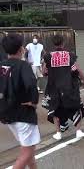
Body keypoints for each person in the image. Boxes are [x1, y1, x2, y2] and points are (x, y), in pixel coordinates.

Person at [0, 34, 40, 169]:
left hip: (6, 112)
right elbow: (31, 84)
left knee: (29, 152)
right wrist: (33, 101)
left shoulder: (1, 66)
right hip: (23, 113)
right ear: (21, 49)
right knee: (27, 151)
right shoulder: (23, 65)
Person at [42, 34, 84, 140]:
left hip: (54, 88)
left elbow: (44, 71)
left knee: (55, 109)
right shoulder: (69, 55)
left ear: (53, 44)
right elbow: (78, 70)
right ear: (63, 43)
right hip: (69, 87)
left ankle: (58, 133)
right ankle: (78, 131)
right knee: (76, 107)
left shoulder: (48, 56)